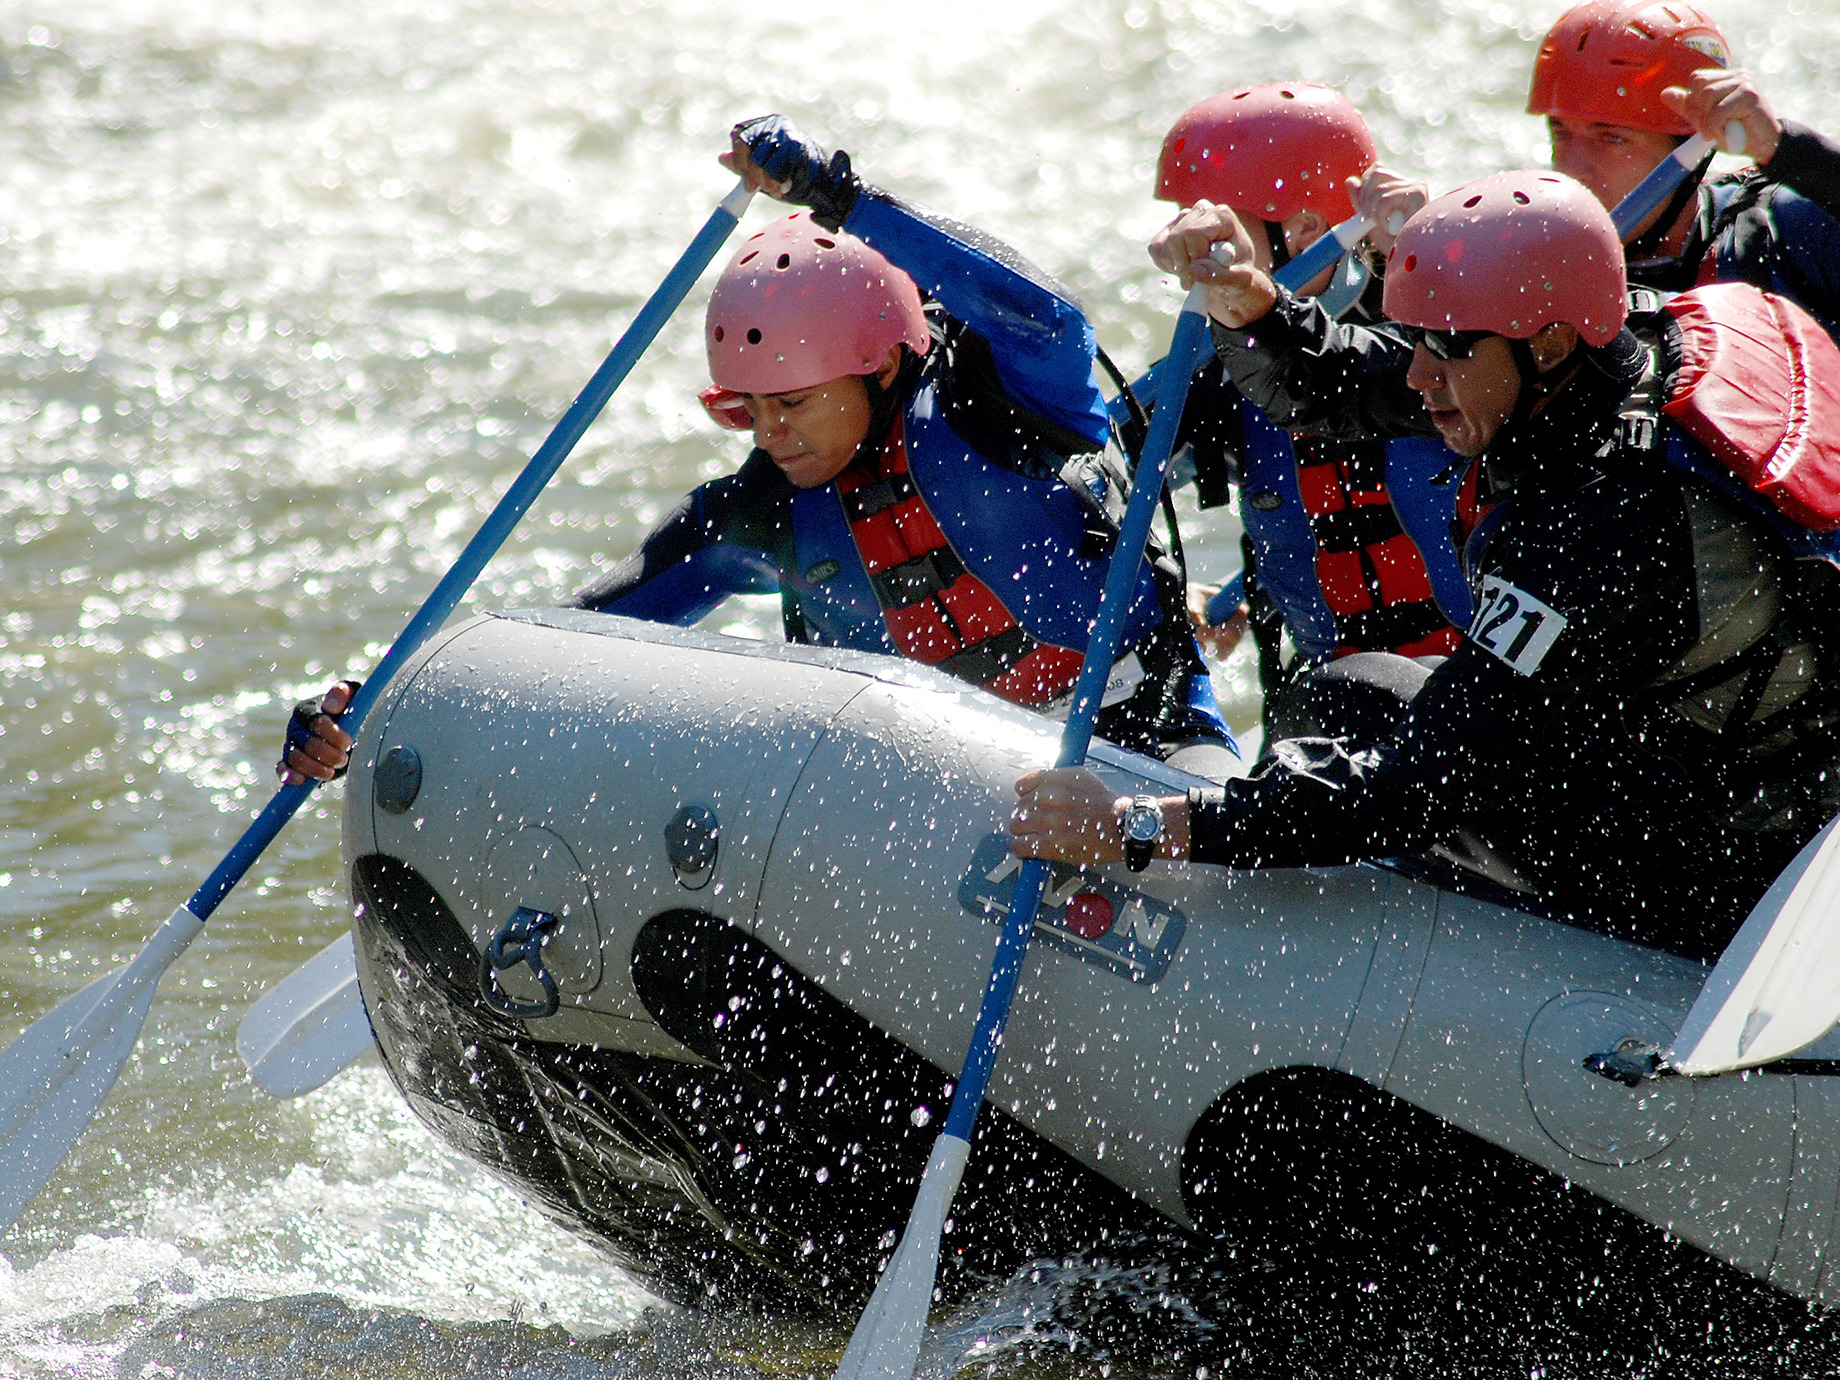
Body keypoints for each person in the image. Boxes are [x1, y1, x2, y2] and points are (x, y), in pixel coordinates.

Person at [1012, 171, 1840, 962]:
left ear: (1548, 341)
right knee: (1351, 688)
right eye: (1415, 342)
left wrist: (1140, 825)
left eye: (1442, 351)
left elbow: (1411, 788)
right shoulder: (1641, 335)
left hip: (1734, 870)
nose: (1418, 376)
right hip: (1725, 766)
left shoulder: (1600, 526)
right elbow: (1348, 384)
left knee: (1355, 720)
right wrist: (1248, 297)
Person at [279, 116, 1235, 788]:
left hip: (1140, 743)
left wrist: (840, 197)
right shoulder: (762, 512)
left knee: (1229, 829)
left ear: (881, 365)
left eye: (794, 404)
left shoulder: (1012, 405)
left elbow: (1043, 309)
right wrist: (384, 705)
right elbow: (562, 642)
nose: (771, 435)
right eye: (746, 411)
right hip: (951, 800)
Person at [1133, 84, 1470, 748]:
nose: (1187, 255)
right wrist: (1187, 595)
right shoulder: (1212, 370)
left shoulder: (1443, 334)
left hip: (1476, 693)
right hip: (1330, 705)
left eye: (1217, 232)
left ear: (1308, 233)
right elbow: (1102, 475)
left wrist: (1444, 266)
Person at [1529, 0, 1840, 327]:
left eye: (1611, 138)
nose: (1573, 171)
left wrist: (1785, 150)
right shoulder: (1528, 273)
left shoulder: (1784, 231)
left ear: (1693, 148)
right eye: (1560, 133)